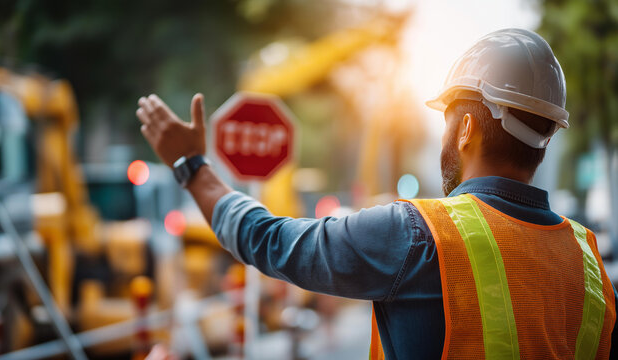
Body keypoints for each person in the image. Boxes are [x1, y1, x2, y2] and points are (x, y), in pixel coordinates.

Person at [137, 28, 617, 359]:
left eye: (448, 122)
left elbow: (270, 240)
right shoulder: (590, 262)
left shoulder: (419, 236)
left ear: (466, 127)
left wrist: (192, 167)